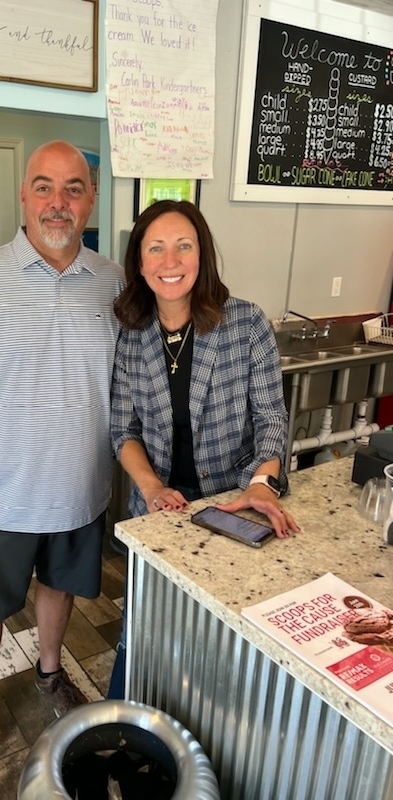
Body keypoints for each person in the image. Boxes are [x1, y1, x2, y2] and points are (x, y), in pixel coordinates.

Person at [0, 140, 124, 791]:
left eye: (72, 188)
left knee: (59, 589)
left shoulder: (116, 282)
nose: (57, 202)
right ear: (23, 196)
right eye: (44, 186)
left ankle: (47, 669)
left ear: (90, 199)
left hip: (81, 490)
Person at [107, 199, 299, 699]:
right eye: (156, 249)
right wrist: (150, 487)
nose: (170, 262)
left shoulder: (244, 323)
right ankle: (134, 725)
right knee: (145, 633)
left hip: (230, 504)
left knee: (217, 645)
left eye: (183, 246)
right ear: (140, 262)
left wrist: (261, 482)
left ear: (202, 254)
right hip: (159, 513)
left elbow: (271, 416)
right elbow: (122, 429)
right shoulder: (132, 333)